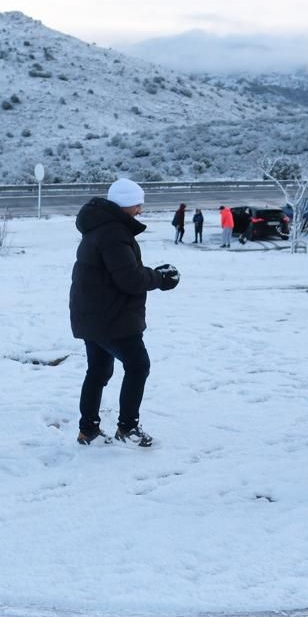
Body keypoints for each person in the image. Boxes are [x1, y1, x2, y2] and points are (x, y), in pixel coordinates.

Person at [69, 178, 180, 447]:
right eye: (138, 204)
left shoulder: (100, 228)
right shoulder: (114, 233)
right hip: (112, 318)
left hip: (93, 314)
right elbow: (129, 279)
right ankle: (127, 428)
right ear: (126, 204)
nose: (141, 210)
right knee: (138, 365)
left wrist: (152, 273)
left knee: (98, 371)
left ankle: (89, 430)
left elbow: (119, 272)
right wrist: (161, 278)